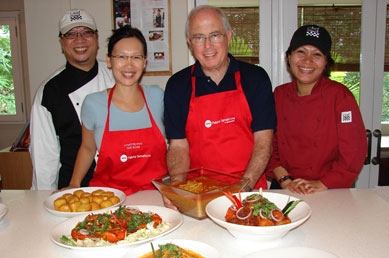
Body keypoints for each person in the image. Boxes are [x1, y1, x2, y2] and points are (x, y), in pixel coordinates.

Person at [163, 5, 276, 207]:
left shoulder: (255, 79)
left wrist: (244, 188)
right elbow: (178, 145)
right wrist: (178, 186)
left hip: (248, 192)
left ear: (228, 36)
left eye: (215, 35)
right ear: (190, 43)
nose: (208, 46)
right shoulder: (177, 85)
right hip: (198, 196)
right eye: (199, 37)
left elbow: (263, 142)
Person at [63, 26, 166, 196]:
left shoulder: (157, 97)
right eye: (121, 57)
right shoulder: (94, 103)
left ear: (145, 62)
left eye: (136, 57)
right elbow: (87, 148)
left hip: (154, 194)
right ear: (109, 61)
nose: (129, 64)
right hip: (109, 196)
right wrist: (74, 183)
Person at [267, 24, 367, 194]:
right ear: (289, 57)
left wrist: (322, 183)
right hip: (285, 185)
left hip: (328, 188)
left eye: (317, 54)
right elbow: (268, 143)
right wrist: (284, 179)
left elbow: (353, 152)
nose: (307, 60)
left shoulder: (340, 97)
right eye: (301, 51)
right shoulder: (279, 94)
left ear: (326, 61)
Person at [29, 9, 114, 190]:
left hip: (117, 185)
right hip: (74, 191)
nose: (79, 39)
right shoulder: (49, 92)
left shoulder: (117, 77)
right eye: (71, 34)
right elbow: (44, 156)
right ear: (61, 42)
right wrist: (43, 199)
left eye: (86, 32)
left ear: (96, 38)